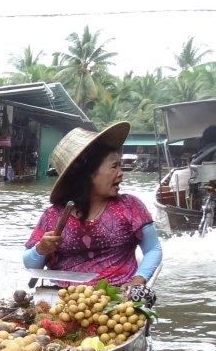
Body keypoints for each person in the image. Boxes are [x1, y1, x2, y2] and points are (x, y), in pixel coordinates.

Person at [23, 122, 162, 288]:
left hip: (120, 295)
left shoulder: (130, 206)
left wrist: (138, 279)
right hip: (64, 297)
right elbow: (30, 264)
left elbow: (153, 249)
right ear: (88, 173)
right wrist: (41, 249)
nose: (121, 174)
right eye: (114, 166)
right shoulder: (53, 215)